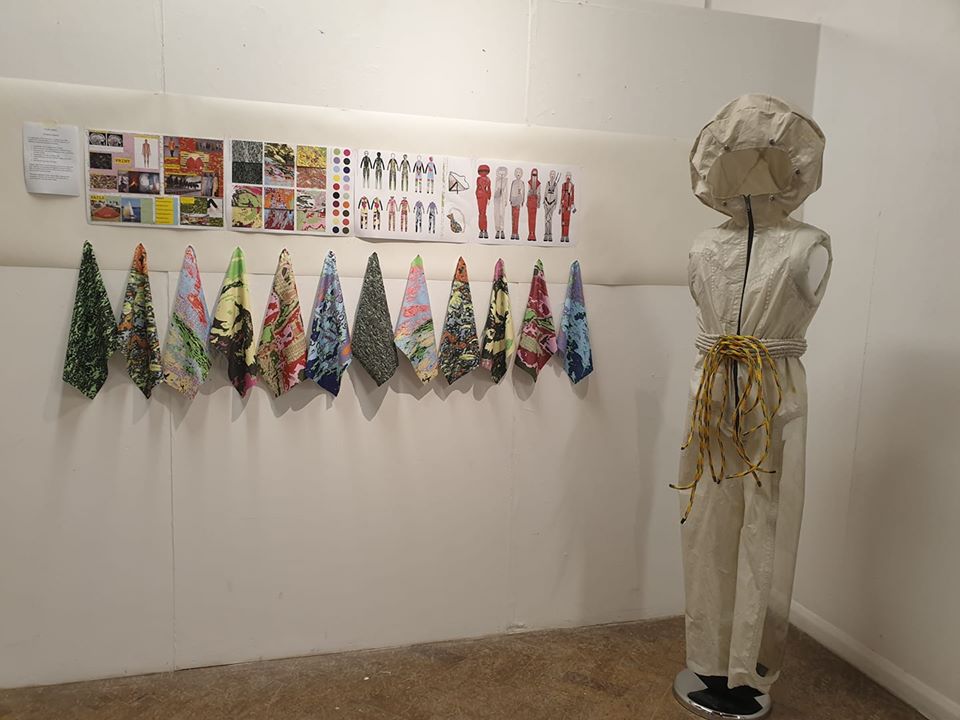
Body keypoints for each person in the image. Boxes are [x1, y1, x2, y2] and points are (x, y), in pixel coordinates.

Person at [475, 164, 492, 239]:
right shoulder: (479, 179)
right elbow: (478, 188)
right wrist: (477, 195)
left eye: (485, 171)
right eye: (482, 171)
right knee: (481, 213)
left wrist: (489, 197)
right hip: (480, 197)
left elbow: (489, 189)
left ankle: (483, 230)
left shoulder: (488, 179)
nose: (483, 173)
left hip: (483, 197)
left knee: (482, 213)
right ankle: (482, 230)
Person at [542, 170, 559, 242]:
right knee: (546, 220)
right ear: (549, 175)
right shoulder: (548, 183)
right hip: (546, 203)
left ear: (555, 176)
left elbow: (556, 195)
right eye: (551, 174)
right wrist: (544, 202)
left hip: (552, 204)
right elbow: (545, 193)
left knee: (550, 220)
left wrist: (555, 204)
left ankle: (550, 235)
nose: (552, 175)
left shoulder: (555, 184)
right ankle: (546, 235)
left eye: (553, 174)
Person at [493, 166, 508, 240]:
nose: (501, 174)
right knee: (496, 215)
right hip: (497, 199)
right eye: (500, 172)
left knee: (502, 214)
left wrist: (505, 200)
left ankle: (502, 230)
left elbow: (506, 190)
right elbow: (495, 189)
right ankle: (497, 230)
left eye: (503, 172)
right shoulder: (496, 180)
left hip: (502, 199)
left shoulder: (506, 180)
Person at [526, 168, 542, 242]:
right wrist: (527, 201)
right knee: (530, 218)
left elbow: (539, 193)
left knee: (533, 218)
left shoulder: (538, 183)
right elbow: (528, 192)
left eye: (535, 174)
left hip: (535, 201)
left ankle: (533, 234)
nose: (534, 176)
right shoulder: (529, 182)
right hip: (530, 201)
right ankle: (530, 234)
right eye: (533, 174)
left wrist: (538, 202)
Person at [560, 172, 576, 243]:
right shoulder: (563, 185)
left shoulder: (572, 186)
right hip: (563, 205)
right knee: (563, 221)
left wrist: (572, 205)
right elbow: (562, 195)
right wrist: (560, 206)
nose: (568, 177)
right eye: (567, 176)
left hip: (569, 205)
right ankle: (562, 236)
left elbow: (573, 196)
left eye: (569, 176)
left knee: (567, 221)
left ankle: (566, 236)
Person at [509, 168, 524, 241]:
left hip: (518, 201)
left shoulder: (522, 183)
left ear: (521, 174)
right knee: (513, 217)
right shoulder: (513, 182)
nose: (518, 174)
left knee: (516, 218)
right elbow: (511, 191)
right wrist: (510, 199)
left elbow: (522, 192)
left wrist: (522, 201)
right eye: (517, 172)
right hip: (513, 201)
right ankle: (513, 233)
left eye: (519, 172)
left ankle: (516, 233)